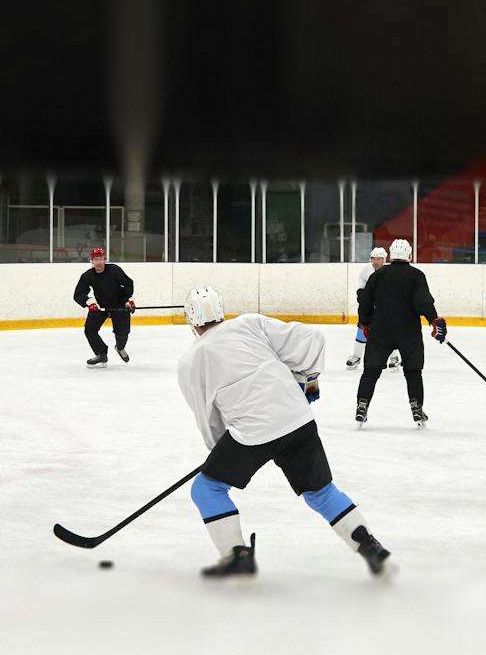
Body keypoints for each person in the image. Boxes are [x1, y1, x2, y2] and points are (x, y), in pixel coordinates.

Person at [177, 285, 392, 579]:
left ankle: (237, 557)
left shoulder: (191, 360)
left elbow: (207, 417)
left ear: (191, 319)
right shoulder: (249, 323)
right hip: (298, 418)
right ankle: (370, 547)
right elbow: (312, 339)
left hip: (252, 432)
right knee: (321, 492)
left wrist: (218, 455)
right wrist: (308, 380)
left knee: (207, 488)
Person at [354, 238, 445, 428]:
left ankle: (362, 405)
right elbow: (423, 302)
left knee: (371, 371)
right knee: (413, 371)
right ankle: (416, 407)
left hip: (381, 330)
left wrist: (365, 323)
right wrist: (434, 321)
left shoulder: (377, 275)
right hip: (408, 332)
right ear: (409, 256)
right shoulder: (416, 275)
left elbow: (365, 303)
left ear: (390, 255)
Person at [73, 246, 135, 367]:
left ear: (104, 259)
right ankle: (101, 354)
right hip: (100, 306)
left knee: (122, 333)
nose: (99, 262)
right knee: (90, 330)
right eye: (96, 259)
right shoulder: (88, 276)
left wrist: (128, 300)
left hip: (119, 304)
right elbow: (78, 294)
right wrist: (90, 303)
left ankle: (120, 347)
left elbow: (128, 284)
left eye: (101, 259)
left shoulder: (114, 270)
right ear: (92, 261)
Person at [346, 246, 398, 371]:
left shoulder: (391, 272)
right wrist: (361, 295)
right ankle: (357, 356)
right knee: (362, 329)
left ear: (384, 259)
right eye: (373, 259)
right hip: (369, 309)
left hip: (385, 309)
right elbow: (361, 284)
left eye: (379, 259)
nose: (376, 261)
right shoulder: (366, 270)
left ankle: (394, 357)